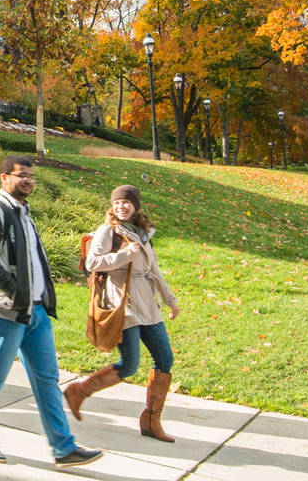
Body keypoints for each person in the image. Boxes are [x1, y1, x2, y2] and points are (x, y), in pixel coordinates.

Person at [0, 156, 101, 468]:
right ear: (3, 178)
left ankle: (63, 448)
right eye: (21, 175)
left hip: (34, 313)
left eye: (30, 176)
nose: (27, 180)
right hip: (5, 312)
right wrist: (14, 289)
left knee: (47, 380)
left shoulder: (23, 213)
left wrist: (36, 297)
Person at [62, 184, 181, 442]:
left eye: (127, 202)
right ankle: (79, 391)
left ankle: (151, 420)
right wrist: (125, 255)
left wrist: (170, 300)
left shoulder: (143, 233)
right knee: (129, 365)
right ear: (112, 205)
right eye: (117, 202)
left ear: (135, 205)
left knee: (165, 359)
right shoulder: (108, 231)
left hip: (148, 304)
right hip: (122, 303)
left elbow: (155, 270)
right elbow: (93, 262)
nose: (122, 206)